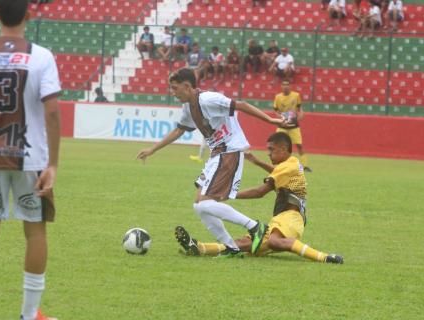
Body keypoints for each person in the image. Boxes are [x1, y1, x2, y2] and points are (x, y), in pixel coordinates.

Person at [136, 68, 290, 257]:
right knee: (198, 205)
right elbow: (179, 130)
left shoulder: (209, 99)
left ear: (187, 86)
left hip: (229, 151)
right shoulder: (188, 108)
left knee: (205, 203)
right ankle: (231, 247)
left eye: (175, 88)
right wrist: (152, 150)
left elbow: (240, 105)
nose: (173, 93)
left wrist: (270, 119)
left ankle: (256, 227)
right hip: (216, 154)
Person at [0, 1, 61, 320]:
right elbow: (52, 112)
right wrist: (52, 164)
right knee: (35, 232)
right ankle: (28, 316)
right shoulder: (41, 56)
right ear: (29, 14)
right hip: (31, 158)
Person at [175, 132, 343, 264]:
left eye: (272, 149)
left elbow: (260, 192)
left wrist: (229, 195)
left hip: (292, 218)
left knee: (275, 242)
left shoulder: (287, 166)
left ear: (283, 149)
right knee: (245, 243)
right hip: (282, 219)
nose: (268, 153)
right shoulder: (290, 163)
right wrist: (256, 161)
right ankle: (199, 247)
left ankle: (324, 257)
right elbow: (276, 171)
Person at [273, 80, 311, 172]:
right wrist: (280, 117)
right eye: (284, 85)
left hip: (294, 125)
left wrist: (301, 113)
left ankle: (305, 166)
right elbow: (276, 110)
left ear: (290, 86)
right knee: (277, 145)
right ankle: (276, 164)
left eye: (287, 85)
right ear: (281, 86)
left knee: (299, 145)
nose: (285, 87)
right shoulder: (278, 97)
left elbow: (299, 108)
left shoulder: (296, 95)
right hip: (282, 125)